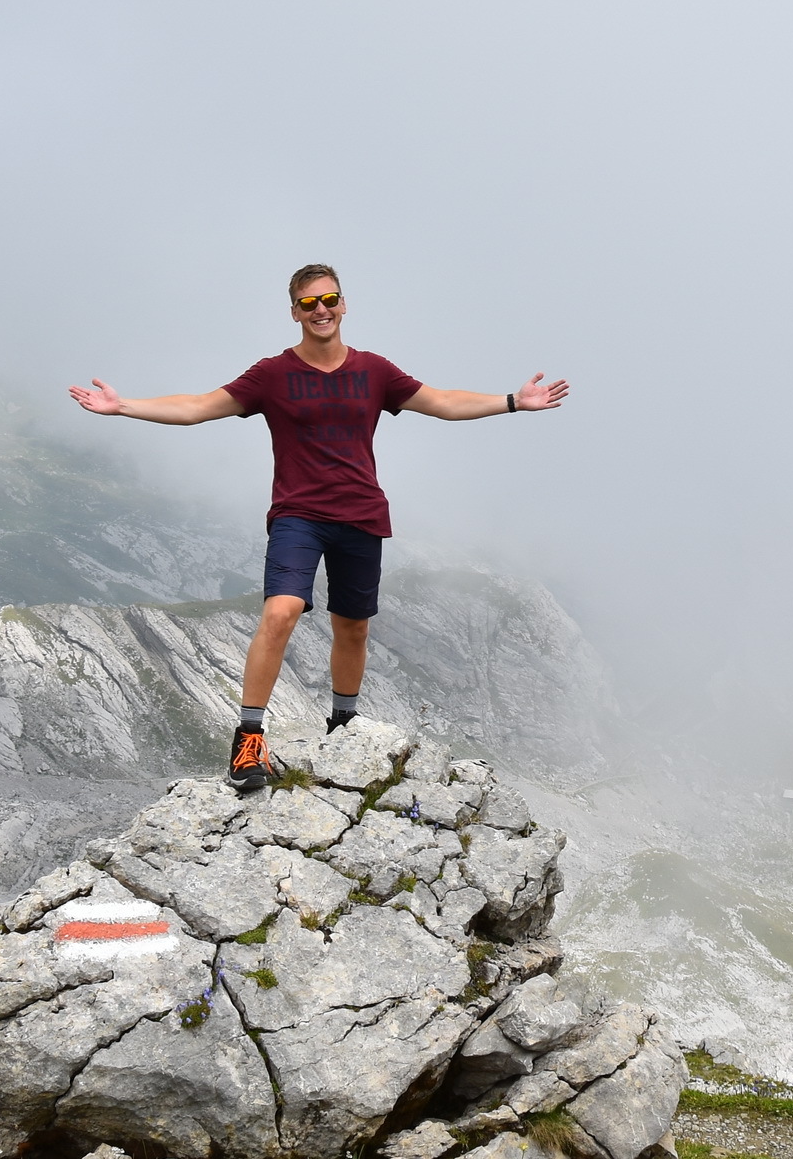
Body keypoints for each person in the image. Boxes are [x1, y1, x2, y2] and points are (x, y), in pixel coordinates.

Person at [68, 263, 568, 791]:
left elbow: (441, 402)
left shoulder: (374, 371)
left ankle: (343, 723)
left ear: (344, 304)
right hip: (297, 516)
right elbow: (198, 407)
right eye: (309, 304)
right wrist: (122, 406)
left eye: (329, 299)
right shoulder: (272, 375)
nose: (321, 310)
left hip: (362, 514)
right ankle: (248, 740)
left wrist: (514, 402)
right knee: (281, 611)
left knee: (352, 626)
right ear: (294, 313)